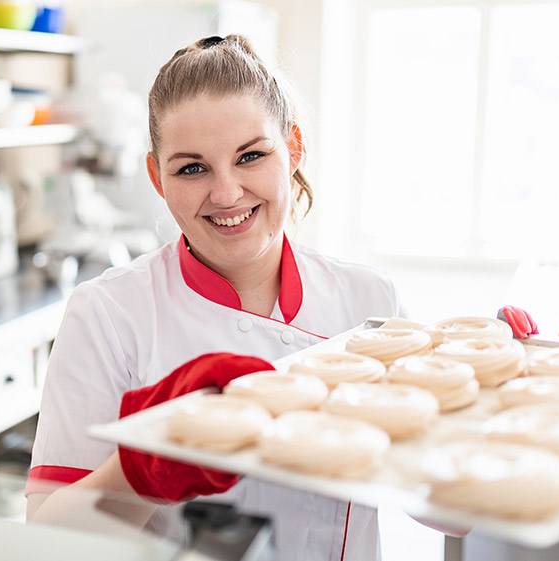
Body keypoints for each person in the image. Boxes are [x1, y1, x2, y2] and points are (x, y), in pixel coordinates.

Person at [27, 35, 533, 560]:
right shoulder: (107, 314)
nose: (225, 194)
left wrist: (486, 402)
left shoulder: (368, 299)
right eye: (192, 168)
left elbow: (446, 514)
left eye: (250, 156)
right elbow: (43, 540)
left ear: (292, 149)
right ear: (157, 176)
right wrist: (145, 469)